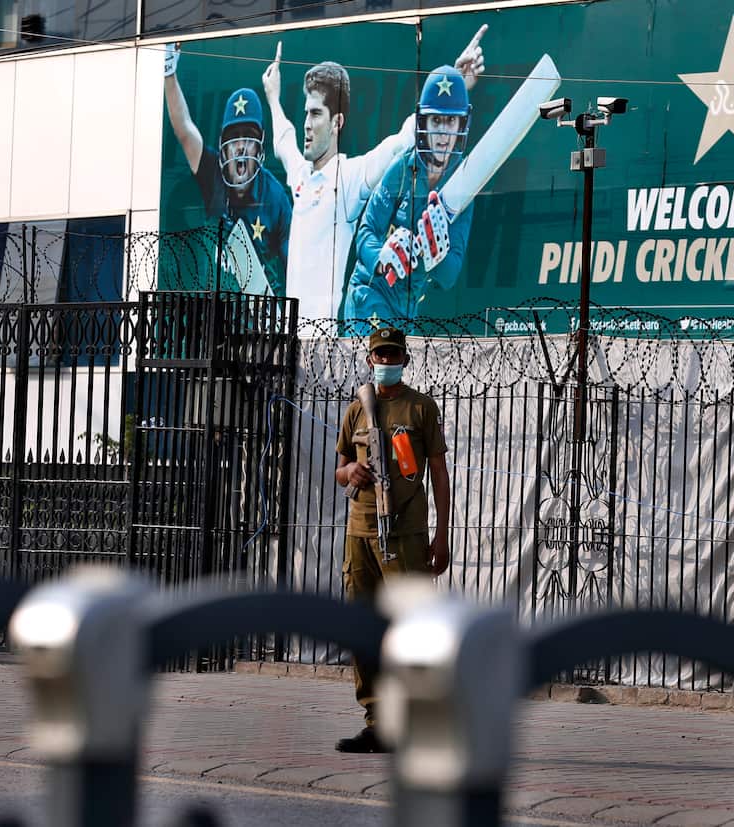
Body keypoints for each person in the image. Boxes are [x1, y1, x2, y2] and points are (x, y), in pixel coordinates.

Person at [260, 29, 486, 322]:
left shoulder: (351, 176)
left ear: (336, 122)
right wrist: (273, 97)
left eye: (315, 114)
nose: (306, 124)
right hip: (295, 331)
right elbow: (282, 140)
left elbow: (404, 139)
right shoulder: (299, 173)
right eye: (306, 113)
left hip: (332, 329)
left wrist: (452, 80)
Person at [333, 326, 451, 753]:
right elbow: (340, 467)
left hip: (406, 532)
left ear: (404, 359)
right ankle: (377, 720)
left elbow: (438, 472)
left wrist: (441, 535)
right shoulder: (355, 411)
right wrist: (352, 474)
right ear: (369, 359)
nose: (386, 362)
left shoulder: (420, 408)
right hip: (360, 531)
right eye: (380, 356)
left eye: (393, 355)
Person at [342, 66, 475, 327]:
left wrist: (436, 255)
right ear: (423, 122)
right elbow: (366, 231)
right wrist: (383, 257)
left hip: (407, 309)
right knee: (373, 366)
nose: (443, 133)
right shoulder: (402, 169)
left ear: (462, 123)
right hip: (371, 295)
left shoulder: (463, 183)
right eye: (436, 120)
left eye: (450, 121)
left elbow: (449, 275)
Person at [164, 45, 292, 296]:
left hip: (259, 319)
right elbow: (184, 129)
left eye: (249, 137)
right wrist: (169, 72)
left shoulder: (276, 197)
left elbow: (293, 267)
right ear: (223, 148)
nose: (241, 147)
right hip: (216, 312)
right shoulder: (213, 174)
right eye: (234, 138)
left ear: (259, 149)